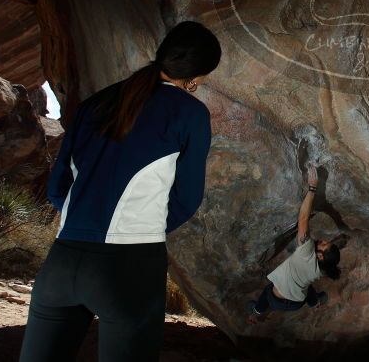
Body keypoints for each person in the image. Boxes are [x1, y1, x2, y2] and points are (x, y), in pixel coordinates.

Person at [19, 21, 221, 362]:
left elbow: (58, 188)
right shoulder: (191, 113)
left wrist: (83, 220)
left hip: (63, 260)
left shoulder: (94, 104)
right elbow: (187, 198)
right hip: (131, 267)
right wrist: (139, 227)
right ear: (197, 76)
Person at [247, 165, 341, 322]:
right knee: (307, 287)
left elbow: (303, 218)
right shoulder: (321, 270)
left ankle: (256, 313)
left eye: (325, 245)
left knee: (268, 290)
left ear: (320, 255)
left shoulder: (306, 251)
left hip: (275, 301)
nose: (324, 241)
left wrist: (312, 188)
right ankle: (315, 303)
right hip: (297, 304)